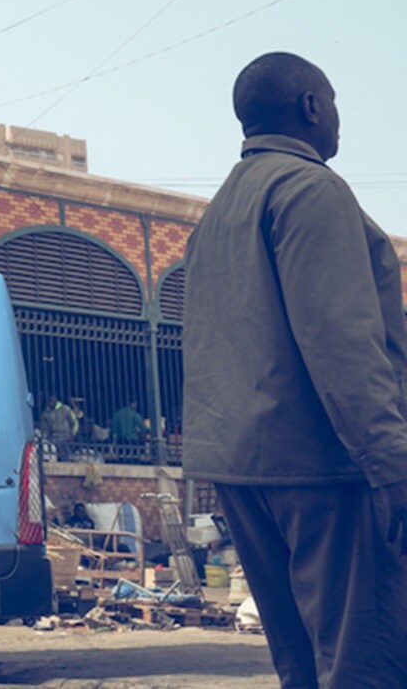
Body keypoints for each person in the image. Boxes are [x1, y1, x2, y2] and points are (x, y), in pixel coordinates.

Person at [184, 52, 407, 688]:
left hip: (243, 470)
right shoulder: (312, 190)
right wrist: (390, 463)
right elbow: (343, 343)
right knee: (365, 660)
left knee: (302, 664)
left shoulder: (221, 210)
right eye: (333, 103)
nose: (338, 119)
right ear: (311, 105)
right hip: (326, 468)